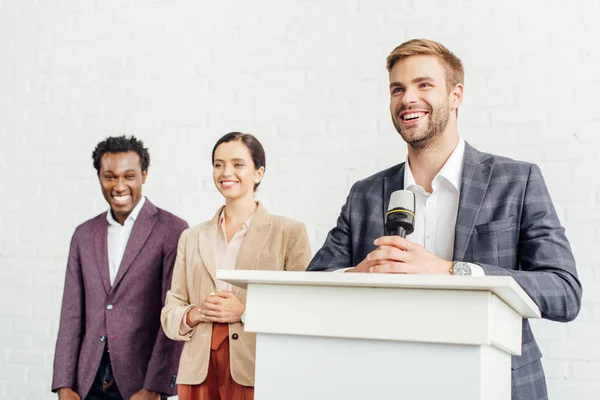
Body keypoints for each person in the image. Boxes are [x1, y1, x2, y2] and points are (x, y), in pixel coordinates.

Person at [307, 39, 582, 400]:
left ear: (456, 95)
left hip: (496, 382)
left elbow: (564, 292)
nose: (407, 99)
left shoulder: (517, 180)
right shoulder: (366, 193)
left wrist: (452, 270)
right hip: (385, 382)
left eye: (424, 85)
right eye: (397, 89)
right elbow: (312, 283)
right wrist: (357, 274)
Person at [161, 132, 311, 400]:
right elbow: (171, 312)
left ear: (259, 173)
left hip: (256, 369)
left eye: (237, 164)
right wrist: (196, 313)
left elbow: (301, 311)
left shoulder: (289, 233)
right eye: (218, 164)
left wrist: (244, 312)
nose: (226, 172)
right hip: (198, 374)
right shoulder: (192, 237)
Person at [52, 136, 188, 400]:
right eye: (110, 176)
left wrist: (155, 386)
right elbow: (71, 314)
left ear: (144, 175)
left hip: (140, 380)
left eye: (129, 176)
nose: (119, 186)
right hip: (86, 380)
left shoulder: (172, 230)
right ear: (100, 178)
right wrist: (63, 383)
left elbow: (173, 312)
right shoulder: (83, 234)